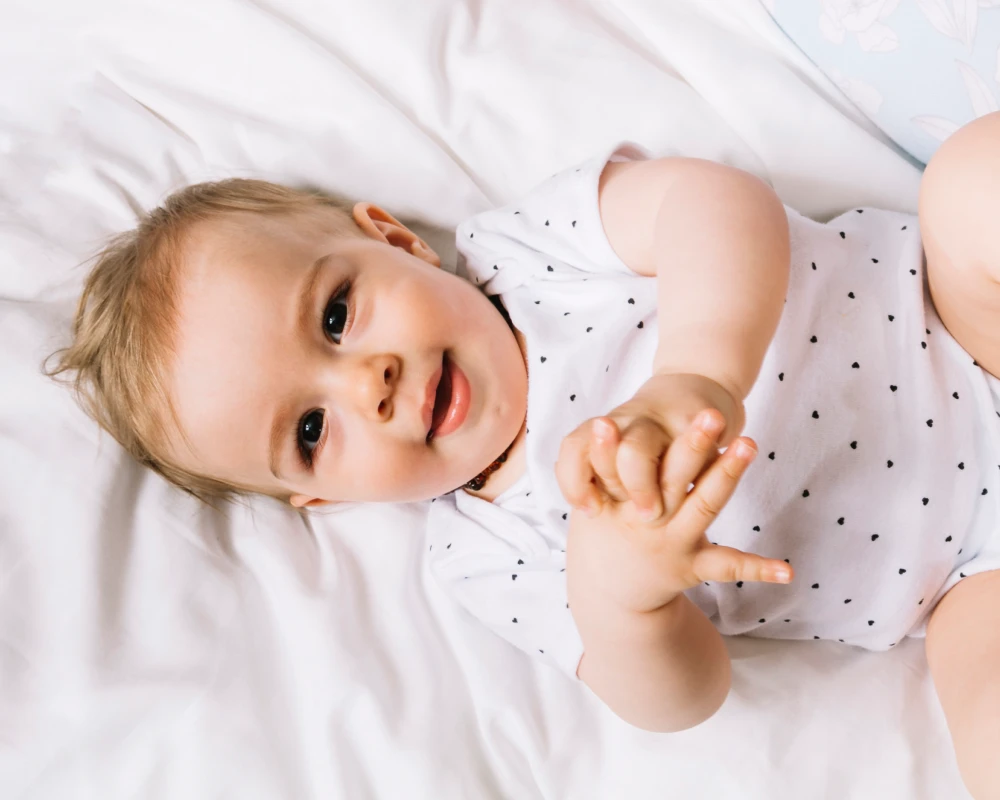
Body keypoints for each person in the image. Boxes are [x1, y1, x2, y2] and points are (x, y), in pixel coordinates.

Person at [49, 113, 1000, 799]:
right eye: (310, 431)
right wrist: (627, 592)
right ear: (325, 501)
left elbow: (717, 206)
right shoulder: (485, 551)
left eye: (336, 316)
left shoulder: (529, 251)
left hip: (959, 320)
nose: (367, 383)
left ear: (392, 239)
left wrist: (701, 369)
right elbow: (683, 700)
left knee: (972, 183)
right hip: (959, 576)